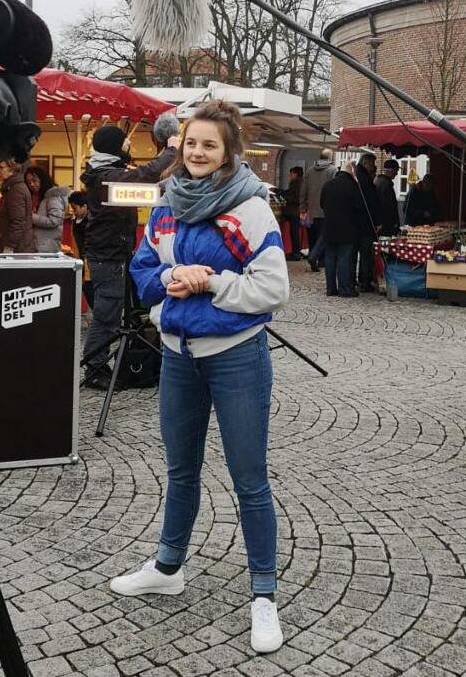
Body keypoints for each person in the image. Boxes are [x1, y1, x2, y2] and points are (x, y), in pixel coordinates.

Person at [114, 100, 289, 654]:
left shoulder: (251, 208)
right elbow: (141, 273)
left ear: (228, 152)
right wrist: (172, 275)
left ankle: (264, 593)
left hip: (236, 355)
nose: (198, 152)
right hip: (176, 355)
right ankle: (168, 566)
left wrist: (210, 283)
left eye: (210, 145)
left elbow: (272, 288)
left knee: (249, 479)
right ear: (180, 145)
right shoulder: (165, 206)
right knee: (180, 469)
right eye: (192, 143)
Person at [80, 124, 179, 387]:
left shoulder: (106, 172)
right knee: (107, 314)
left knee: (114, 312)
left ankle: (105, 363)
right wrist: (171, 150)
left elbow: (146, 182)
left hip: (114, 253)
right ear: (115, 147)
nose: (128, 148)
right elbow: (145, 174)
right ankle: (94, 367)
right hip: (107, 256)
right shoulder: (105, 175)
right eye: (125, 143)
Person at [320, 162, 363, 298]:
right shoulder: (353, 186)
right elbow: (359, 207)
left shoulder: (328, 185)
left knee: (330, 259)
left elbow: (322, 204)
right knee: (344, 259)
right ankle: (344, 289)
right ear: (351, 172)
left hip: (329, 227)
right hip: (347, 229)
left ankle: (331, 289)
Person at [300, 148, 337, 271]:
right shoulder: (333, 171)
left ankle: (313, 256)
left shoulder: (309, 171)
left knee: (313, 237)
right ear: (330, 158)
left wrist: (303, 208)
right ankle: (319, 259)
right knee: (324, 237)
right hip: (327, 211)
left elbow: (303, 191)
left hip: (312, 211)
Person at [0, 160, 36, 253]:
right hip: (17, 246)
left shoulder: (16, 190)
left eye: (1, 168)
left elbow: (18, 222)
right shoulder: (11, 187)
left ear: (12, 168)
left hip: (16, 249)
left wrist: (9, 246)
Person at [26, 164, 69, 253]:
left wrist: (31, 217)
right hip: (41, 247)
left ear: (42, 179)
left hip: (47, 248)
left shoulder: (53, 196)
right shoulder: (41, 197)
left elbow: (54, 221)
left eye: (34, 181)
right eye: (29, 182)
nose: (32, 185)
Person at [355, 154, 382, 292]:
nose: (373, 167)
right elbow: (371, 202)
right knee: (366, 253)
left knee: (359, 253)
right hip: (365, 223)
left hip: (358, 222)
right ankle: (364, 281)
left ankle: (360, 279)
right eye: (372, 164)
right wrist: (377, 221)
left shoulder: (357, 176)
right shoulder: (364, 179)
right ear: (366, 163)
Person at [68, 190, 95, 310]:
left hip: (90, 259)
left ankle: (97, 314)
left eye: (75, 208)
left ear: (84, 206)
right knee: (86, 288)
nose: (74, 212)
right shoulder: (76, 221)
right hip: (83, 258)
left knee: (89, 288)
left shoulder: (91, 220)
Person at [280, 166, 304, 260]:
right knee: (293, 232)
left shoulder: (298, 184)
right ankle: (295, 252)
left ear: (296, 174)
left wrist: (285, 196)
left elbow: (295, 198)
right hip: (293, 211)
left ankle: (296, 253)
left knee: (294, 232)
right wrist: (281, 192)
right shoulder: (295, 183)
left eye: (292, 173)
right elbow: (290, 193)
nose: (290, 175)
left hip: (294, 211)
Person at [374, 159, 401, 237]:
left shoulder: (378, 181)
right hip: (386, 225)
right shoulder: (386, 185)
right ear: (391, 170)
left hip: (380, 223)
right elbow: (388, 206)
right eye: (396, 170)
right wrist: (395, 224)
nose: (397, 173)